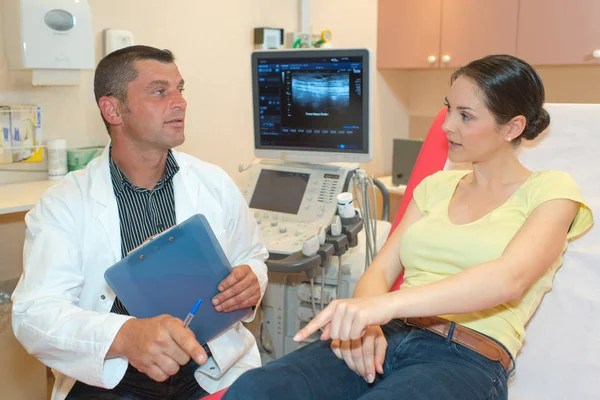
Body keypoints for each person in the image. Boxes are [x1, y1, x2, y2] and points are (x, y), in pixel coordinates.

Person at [223, 54, 594, 400]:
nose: (447, 125)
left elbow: (508, 279)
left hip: (465, 356)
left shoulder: (551, 190)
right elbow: (380, 271)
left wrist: (382, 307)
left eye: (466, 116)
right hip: (388, 334)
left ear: (512, 127)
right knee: (256, 387)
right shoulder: (434, 187)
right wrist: (369, 323)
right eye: (449, 109)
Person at [11, 45, 268, 400]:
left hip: (208, 368)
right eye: (160, 92)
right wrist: (127, 336)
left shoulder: (214, 183)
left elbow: (252, 255)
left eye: (180, 89)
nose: (180, 102)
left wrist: (251, 281)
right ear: (113, 109)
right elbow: (34, 315)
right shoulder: (64, 204)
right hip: (114, 378)